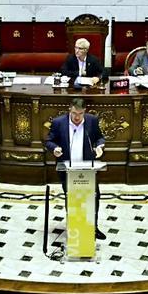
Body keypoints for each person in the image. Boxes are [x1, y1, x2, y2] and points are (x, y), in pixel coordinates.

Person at [45, 99, 107, 239]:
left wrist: (99, 146)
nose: (77, 117)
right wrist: (54, 149)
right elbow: (49, 141)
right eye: (74, 113)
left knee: (93, 197)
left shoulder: (92, 121)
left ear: (85, 111)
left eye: (80, 113)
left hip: (87, 167)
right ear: (69, 110)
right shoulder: (58, 122)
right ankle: (74, 229)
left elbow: (100, 138)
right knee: (72, 198)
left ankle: (93, 228)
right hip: (67, 168)